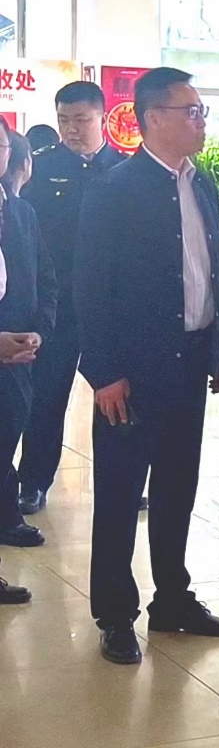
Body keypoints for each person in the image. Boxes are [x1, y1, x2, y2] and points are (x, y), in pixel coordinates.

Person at [76, 68, 219, 665]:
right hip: (133, 371)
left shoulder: (204, 184)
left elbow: (212, 272)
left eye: (201, 110)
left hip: (191, 360)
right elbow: (90, 286)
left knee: (178, 485)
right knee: (121, 495)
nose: (201, 121)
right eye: (190, 111)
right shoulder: (115, 189)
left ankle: (173, 599)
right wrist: (104, 372)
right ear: (152, 118)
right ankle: (116, 614)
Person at [19, 82, 128, 517]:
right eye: (64, 120)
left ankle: (121, 481)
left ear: (102, 118)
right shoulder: (42, 170)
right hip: (59, 306)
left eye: (81, 119)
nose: (72, 129)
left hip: (110, 308)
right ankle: (33, 482)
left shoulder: (124, 170)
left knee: (117, 397)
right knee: (46, 398)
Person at [0, 117, 55, 573]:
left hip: (17, 356)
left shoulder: (21, 213)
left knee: (6, 441)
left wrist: (39, 330)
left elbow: (45, 281)